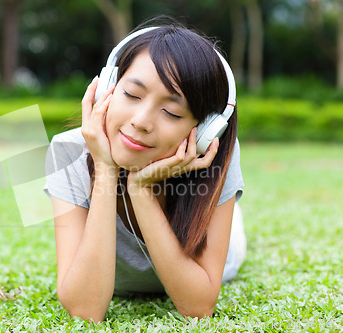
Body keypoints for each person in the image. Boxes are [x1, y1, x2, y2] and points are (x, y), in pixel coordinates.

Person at [43, 17, 246, 323]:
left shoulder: (214, 157)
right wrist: (106, 168)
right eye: (132, 95)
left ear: (204, 130)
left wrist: (141, 189)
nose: (141, 120)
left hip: (222, 252)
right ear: (106, 89)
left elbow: (198, 307)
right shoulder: (68, 151)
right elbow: (86, 310)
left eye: (172, 112)